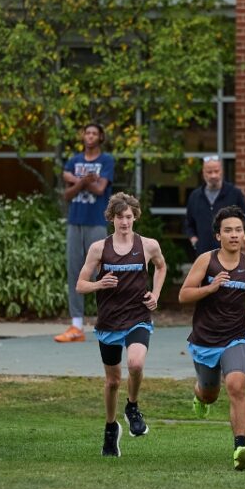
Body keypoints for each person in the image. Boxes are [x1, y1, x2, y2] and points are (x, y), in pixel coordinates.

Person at [76, 193, 166, 456]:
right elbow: (80, 285)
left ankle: (133, 406)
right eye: (119, 217)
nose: (124, 222)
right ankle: (110, 428)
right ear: (111, 218)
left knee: (136, 363)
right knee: (113, 381)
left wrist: (156, 295)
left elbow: (161, 268)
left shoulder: (148, 245)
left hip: (138, 316)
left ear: (135, 217)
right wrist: (98, 284)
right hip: (109, 321)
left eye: (129, 217)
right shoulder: (99, 248)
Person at [181, 206, 245, 471]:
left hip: (235, 337)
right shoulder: (206, 261)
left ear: (244, 235)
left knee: (237, 386)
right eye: (228, 230)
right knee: (210, 393)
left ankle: (240, 447)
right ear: (218, 235)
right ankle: (200, 396)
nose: (233, 235)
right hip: (205, 339)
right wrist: (211, 287)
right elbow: (184, 295)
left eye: (238, 230)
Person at [57, 123, 116, 343]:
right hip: (75, 222)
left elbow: (101, 189)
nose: (90, 136)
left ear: (100, 137)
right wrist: (83, 181)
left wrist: (75, 180)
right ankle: (77, 325)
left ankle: (107, 321)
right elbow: (66, 195)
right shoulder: (74, 160)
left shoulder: (106, 160)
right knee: (74, 271)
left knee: (101, 271)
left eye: (94, 133)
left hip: (96, 222)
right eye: (87, 133)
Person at [184, 156, 245, 254]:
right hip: (203, 254)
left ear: (222, 171)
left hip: (230, 255)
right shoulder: (195, 196)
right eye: (209, 172)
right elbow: (189, 224)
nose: (213, 175)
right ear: (203, 173)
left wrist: (238, 239)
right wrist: (194, 240)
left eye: (216, 171)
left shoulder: (234, 193)